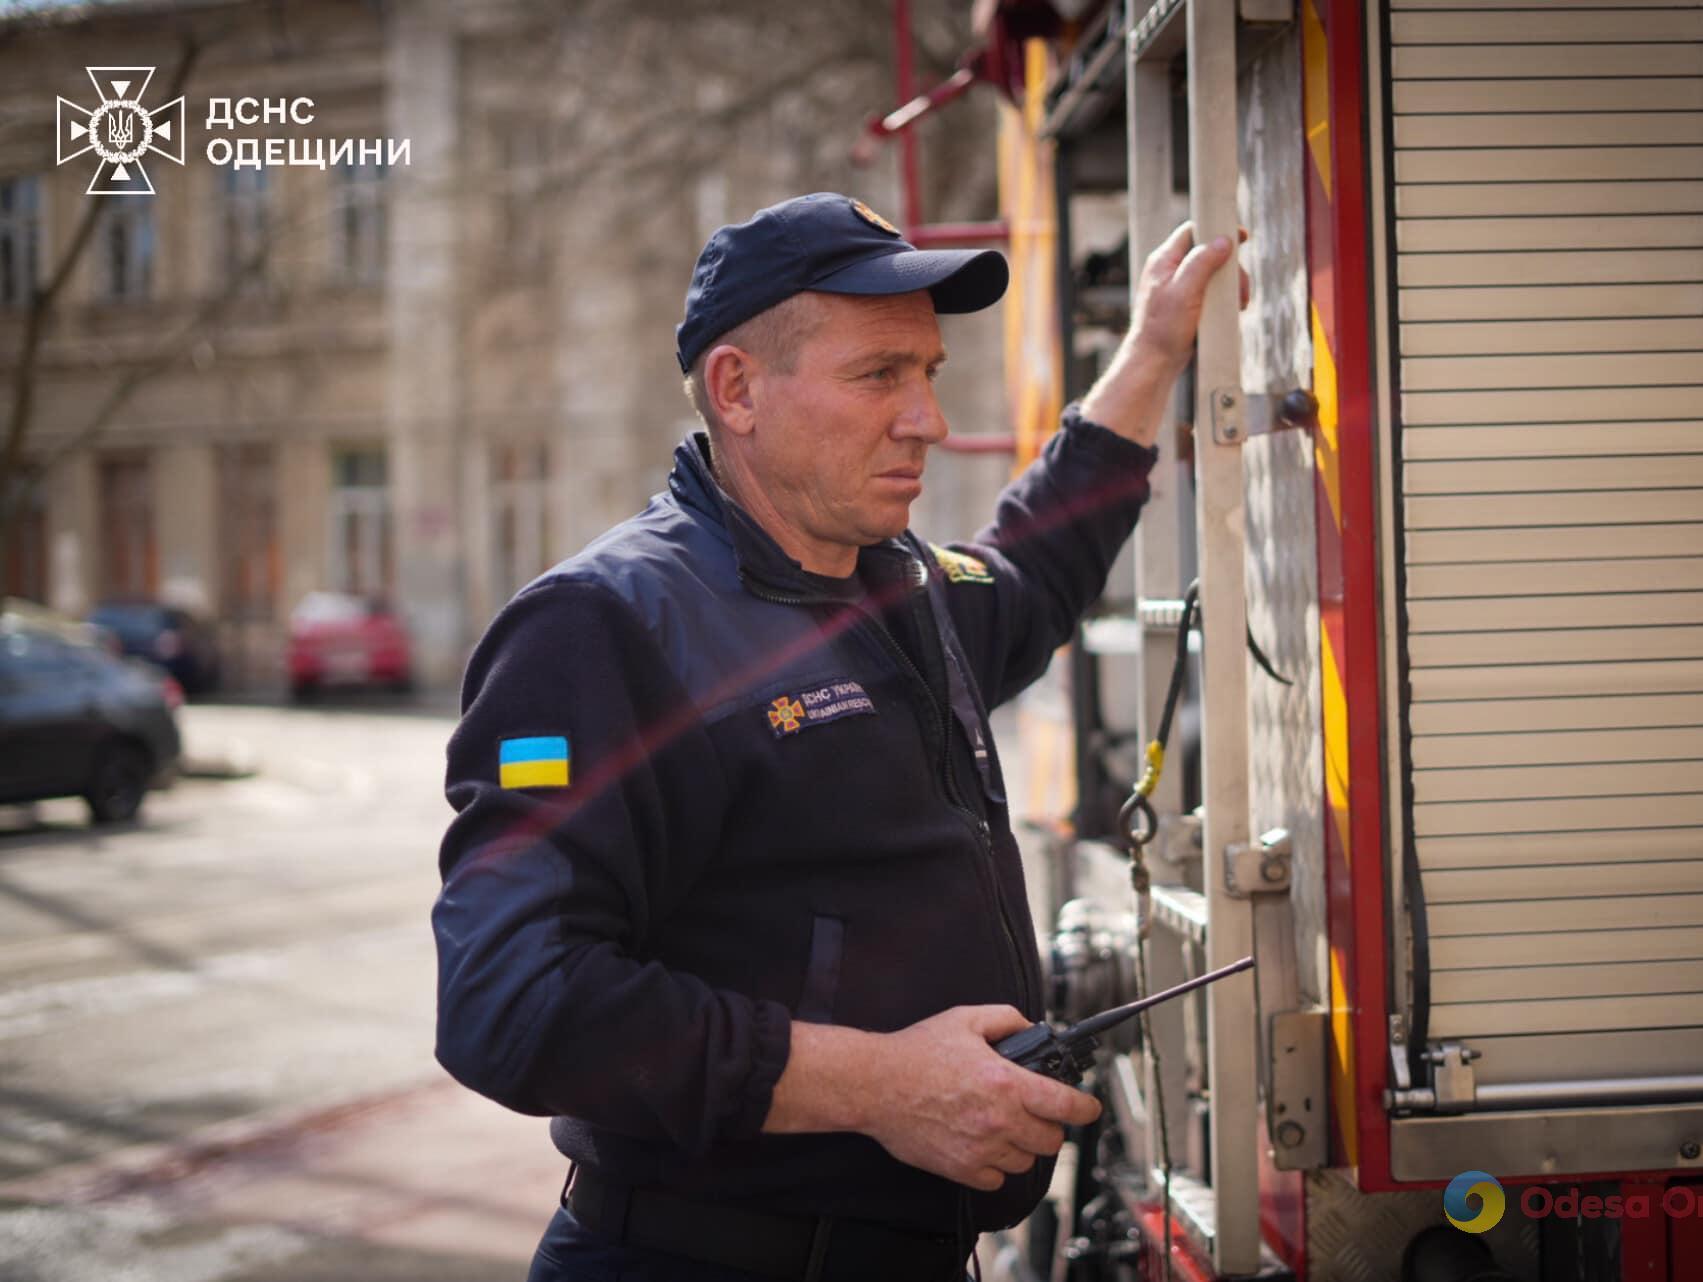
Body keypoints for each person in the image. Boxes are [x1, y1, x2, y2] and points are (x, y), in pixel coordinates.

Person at [432, 192, 1240, 1282]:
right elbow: (510, 999)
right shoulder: (603, 629)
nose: (928, 420)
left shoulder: (902, 590)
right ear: (739, 389)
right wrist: (881, 1086)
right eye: (878, 377)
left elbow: (1040, 562)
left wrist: (1151, 352)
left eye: (929, 374)